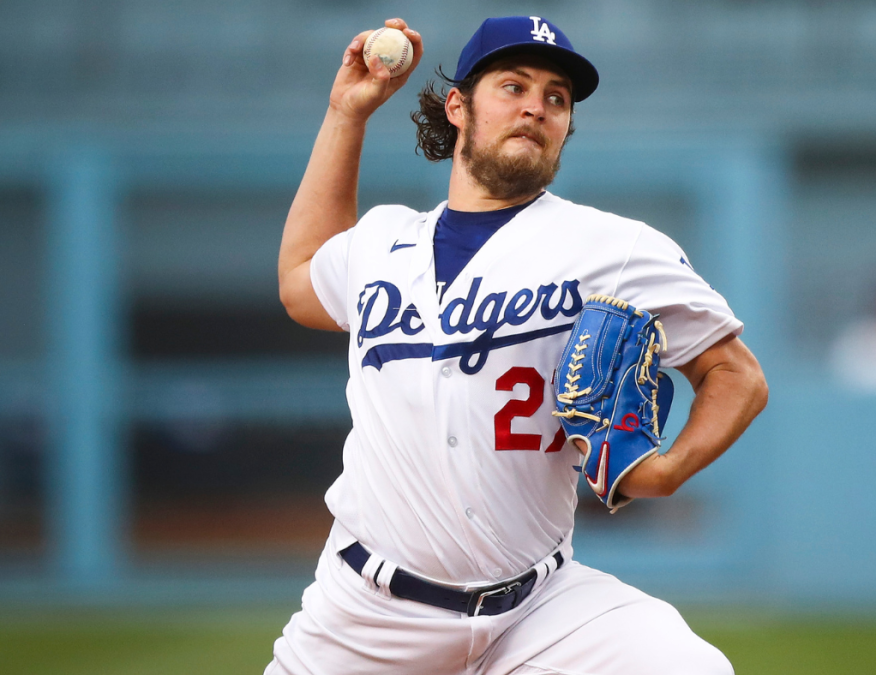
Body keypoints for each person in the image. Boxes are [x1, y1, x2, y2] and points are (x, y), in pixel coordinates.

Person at [270, 15, 768, 675]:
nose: (537, 105)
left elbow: (737, 374)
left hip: (540, 610)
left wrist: (668, 469)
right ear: (458, 106)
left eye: (557, 97)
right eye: (513, 85)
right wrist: (345, 114)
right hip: (366, 617)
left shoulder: (611, 248)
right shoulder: (382, 242)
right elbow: (302, 280)